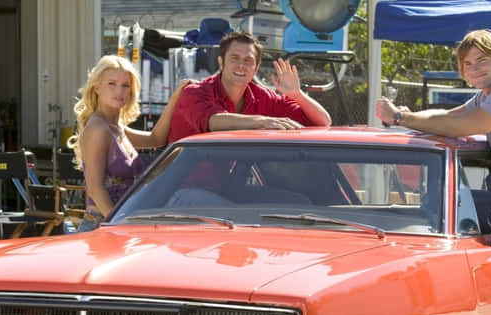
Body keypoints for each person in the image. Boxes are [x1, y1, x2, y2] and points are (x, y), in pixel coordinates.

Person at [375, 29, 491, 236]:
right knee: (437, 203)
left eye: (482, 60)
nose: (474, 68)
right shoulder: (488, 95)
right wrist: (409, 116)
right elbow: (449, 114)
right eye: (467, 64)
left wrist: (401, 118)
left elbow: (458, 126)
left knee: (437, 205)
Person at [68, 55, 190, 231]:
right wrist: (118, 227)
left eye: (125, 85)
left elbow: (156, 139)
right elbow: (95, 189)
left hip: (120, 222)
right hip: (101, 224)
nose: (119, 91)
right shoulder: (98, 129)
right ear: (97, 87)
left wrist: (174, 99)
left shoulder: (117, 128)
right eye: (112, 84)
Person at [167, 31, 331, 143]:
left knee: (294, 196)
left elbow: (323, 123)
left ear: (256, 67)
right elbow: (214, 121)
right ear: (221, 62)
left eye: (248, 60)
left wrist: (297, 95)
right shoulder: (194, 92)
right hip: (183, 188)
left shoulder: (264, 97)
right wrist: (263, 121)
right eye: (234, 58)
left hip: (233, 186)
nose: (241, 66)